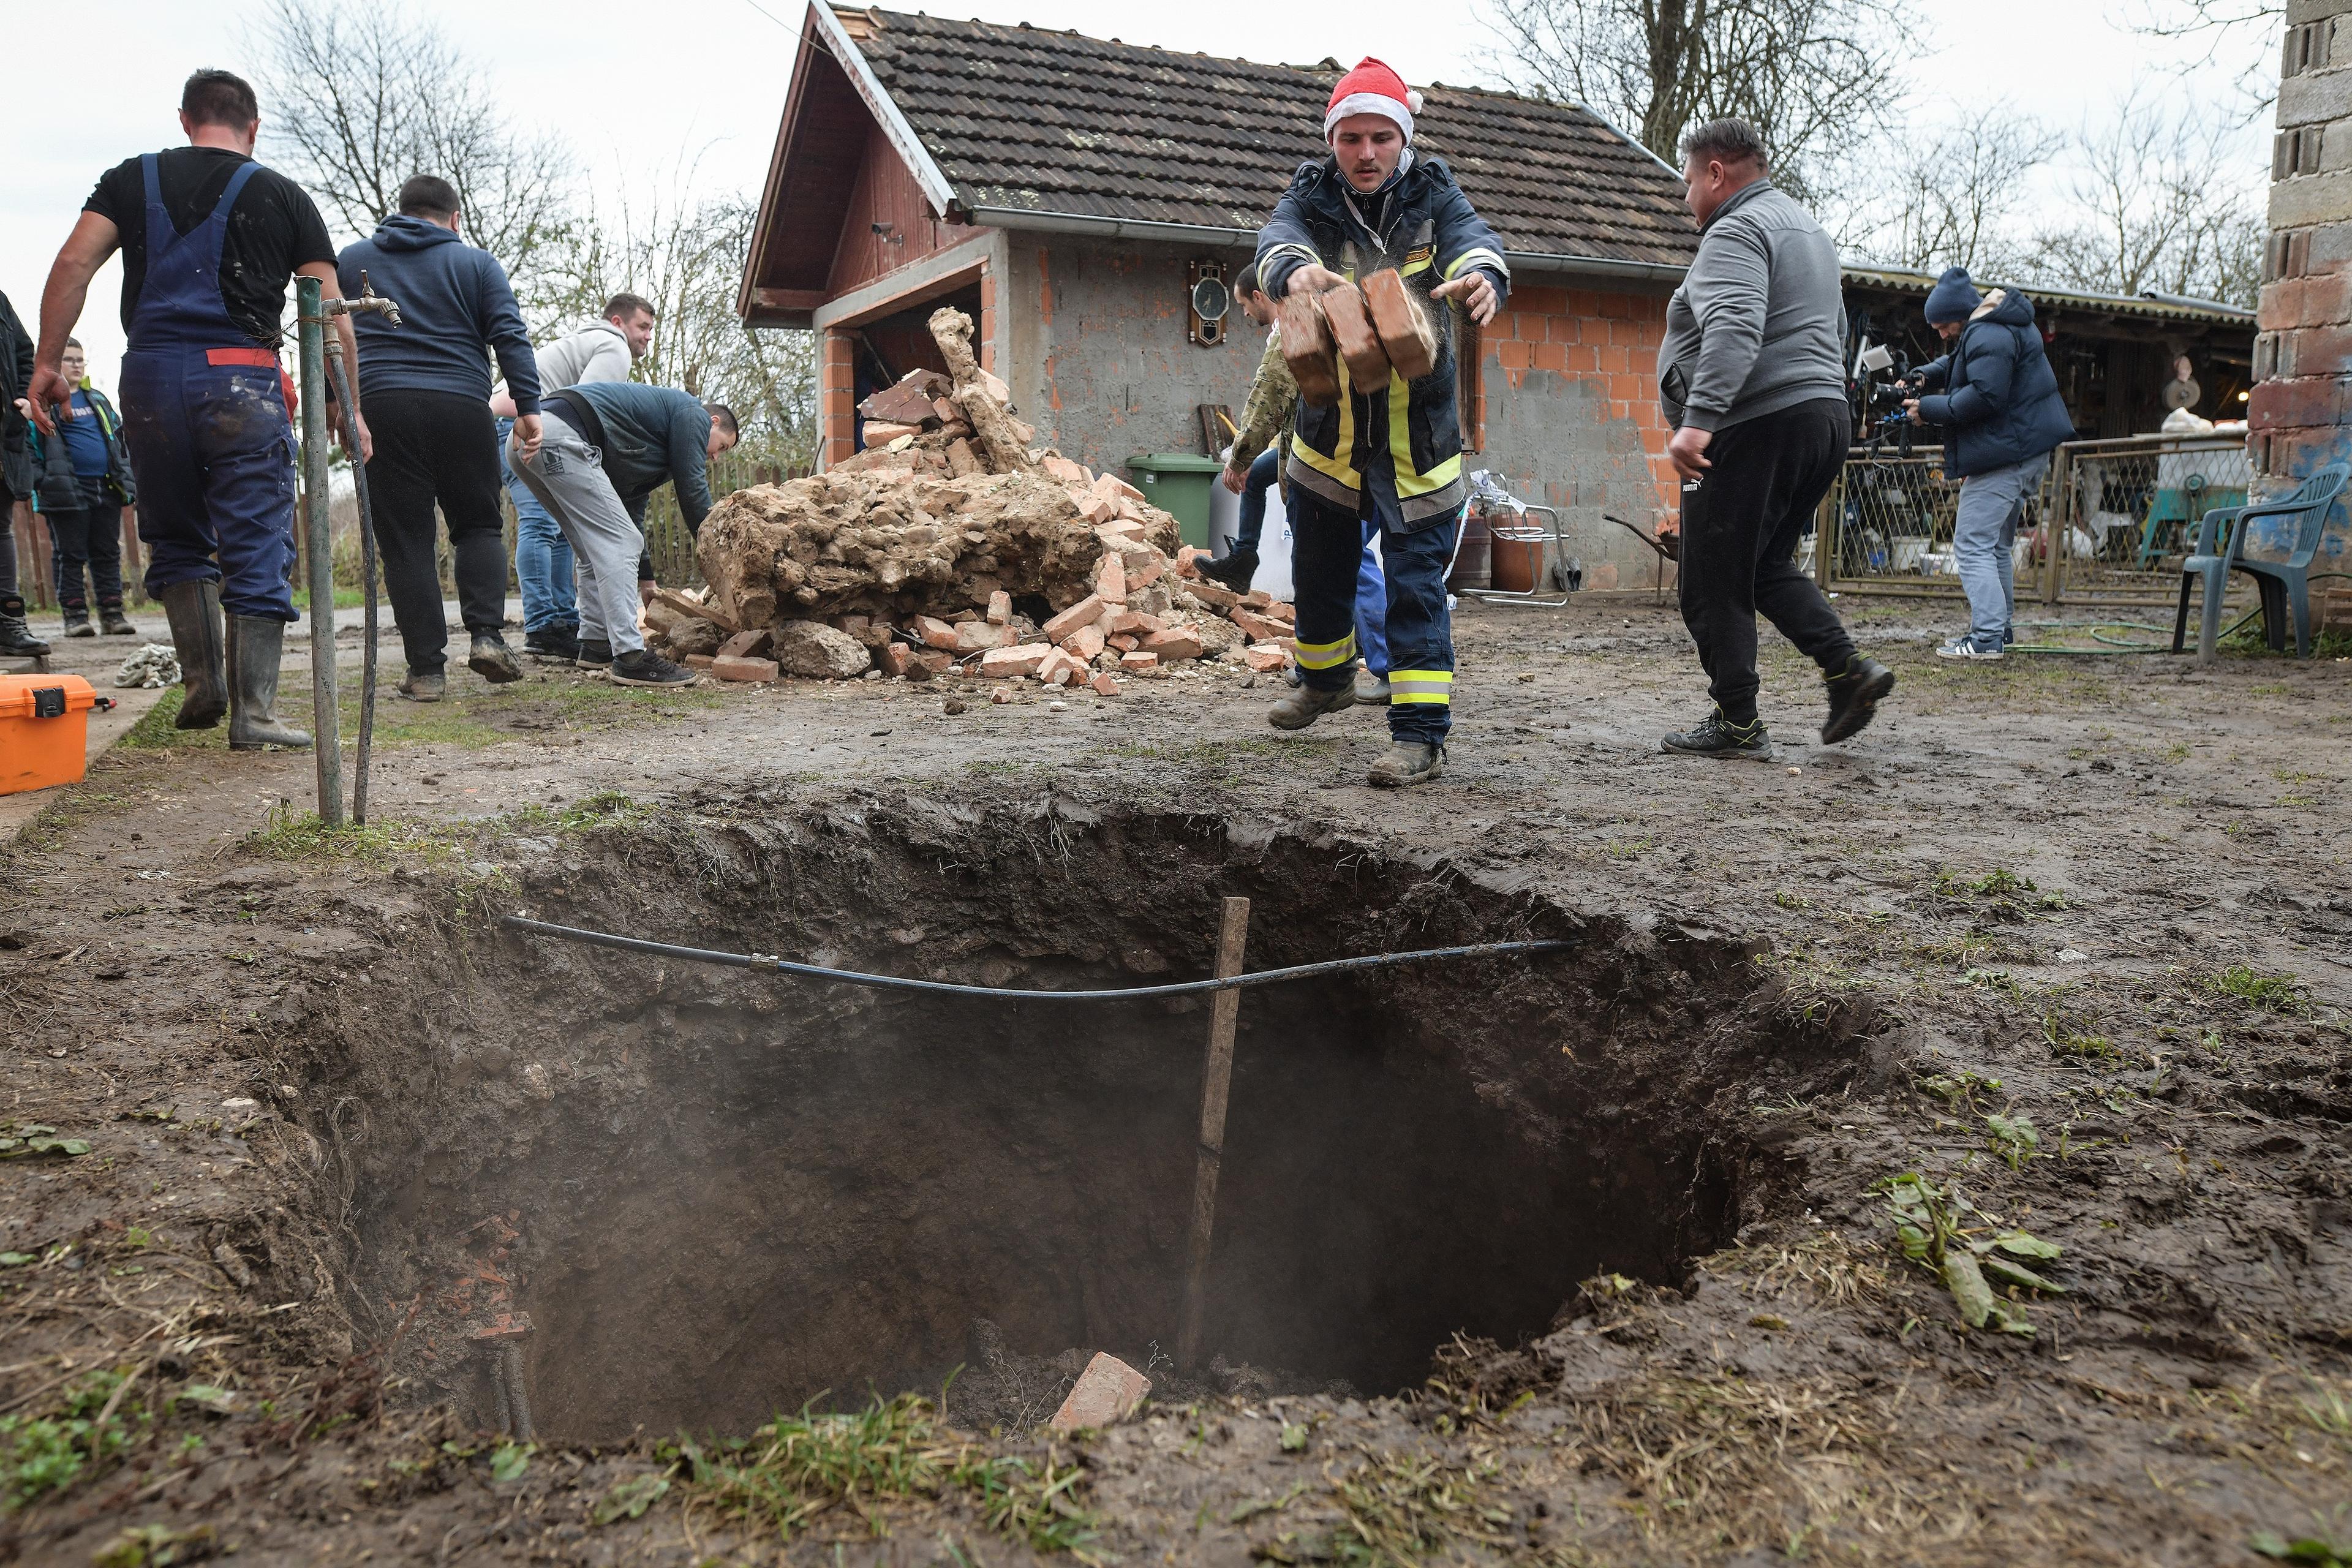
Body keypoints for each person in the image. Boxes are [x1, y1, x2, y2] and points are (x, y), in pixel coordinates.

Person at [26, 67, 363, 748]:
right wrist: (345, 404)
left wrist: (44, 364)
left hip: (149, 381)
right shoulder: (283, 195)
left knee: (175, 531)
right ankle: (255, 713)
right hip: (241, 381)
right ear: (254, 126)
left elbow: (71, 265)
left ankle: (202, 683)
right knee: (256, 541)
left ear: (185, 119)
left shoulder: (129, 179)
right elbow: (332, 315)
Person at [1253, 57, 1506, 786]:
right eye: (1352, 138)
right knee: (1319, 567)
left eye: (1381, 138)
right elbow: (1277, 238)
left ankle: (1420, 736)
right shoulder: (1312, 193)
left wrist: (1484, 279)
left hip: (1417, 438)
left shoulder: (1436, 194)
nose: (1366, 154)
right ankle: (1325, 680)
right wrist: (1293, 270)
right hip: (1329, 433)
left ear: (1404, 139)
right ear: (1333, 141)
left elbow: (1477, 240)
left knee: (1414, 586)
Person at [1656, 117, 1893, 762]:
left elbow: (1734, 324)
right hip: (1820, 418)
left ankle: (1737, 723)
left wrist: (1699, 419)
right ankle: (1848, 672)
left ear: (1716, 173)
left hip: (1751, 422)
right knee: (1762, 566)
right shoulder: (1806, 229)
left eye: (1688, 182)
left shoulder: (1735, 228)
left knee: (1710, 577)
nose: (1686, 199)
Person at [337, 174, 541, 702]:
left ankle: (427, 673)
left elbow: (329, 339)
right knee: (477, 526)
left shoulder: (353, 258)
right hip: (461, 407)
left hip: (383, 409)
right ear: (455, 219)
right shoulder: (476, 264)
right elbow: (510, 334)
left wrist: (341, 410)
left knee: (407, 543)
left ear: (399, 212)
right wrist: (529, 407)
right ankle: (488, 637)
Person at [1213, 265, 1392, 702]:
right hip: (1341, 460)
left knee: (1347, 566)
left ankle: (1378, 668)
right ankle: (1321, 666)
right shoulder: (1339, 314)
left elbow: (1271, 393)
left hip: (1334, 467)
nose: (1243, 315)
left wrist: (1240, 455)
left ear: (1262, 294)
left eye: (1242, 305)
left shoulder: (1299, 323)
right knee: (1333, 564)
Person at [507, 380, 735, 687]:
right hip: (556, 433)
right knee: (620, 542)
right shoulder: (692, 413)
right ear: (713, 422)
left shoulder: (648, 444)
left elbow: (630, 513)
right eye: (722, 446)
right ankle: (631, 656)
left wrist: (647, 578)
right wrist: (717, 549)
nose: (716, 457)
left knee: (592, 546)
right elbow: (693, 492)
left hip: (527, 438)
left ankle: (596, 644)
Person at [1905, 266, 2074, 660]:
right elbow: (1963, 363)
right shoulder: (1994, 325)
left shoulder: (1989, 332)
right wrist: (1924, 377)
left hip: (2006, 455)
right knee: (1996, 544)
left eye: (1944, 326)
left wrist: (1927, 410)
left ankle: (1985, 639)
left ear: (1962, 314)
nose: (1943, 335)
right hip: (2023, 451)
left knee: (1971, 544)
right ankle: (2000, 629)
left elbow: (1984, 395)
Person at [489, 292, 658, 660]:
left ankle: (564, 622)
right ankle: (542, 626)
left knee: (567, 528)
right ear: (618, 322)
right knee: (540, 523)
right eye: (643, 326)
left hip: (529, 421)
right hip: (518, 424)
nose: (648, 336)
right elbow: (588, 403)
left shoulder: (589, 340)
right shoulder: (614, 347)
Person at [24, 340, 140, 638]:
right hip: (65, 490)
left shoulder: (97, 400)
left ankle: (113, 615)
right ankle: (75, 617)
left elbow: (118, 439)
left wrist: (125, 475)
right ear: (54, 365)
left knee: (107, 553)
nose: (76, 365)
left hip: (106, 486)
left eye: (80, 360)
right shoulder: (41, 404)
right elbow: (30, 447)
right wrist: (44, 480)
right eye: (68, 359)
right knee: (70, 554)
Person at [1, 289, 50, 658]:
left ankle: (8, 623)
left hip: (5, 439)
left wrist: (22, 401)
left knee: (0, 529)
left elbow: (22, 350)